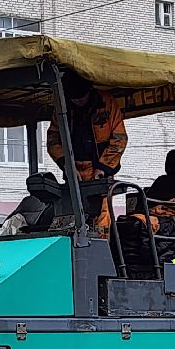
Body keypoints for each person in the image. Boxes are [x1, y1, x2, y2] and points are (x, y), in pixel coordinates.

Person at [46, 70, 127, 234]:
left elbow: (119, 139)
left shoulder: (107, 103)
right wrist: (68, 167)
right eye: (74, 98)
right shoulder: (62, 108)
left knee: (102, 215)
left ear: (89, 90)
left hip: (100, 172)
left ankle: (102, 251)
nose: (79, 101)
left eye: (81, 97)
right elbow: (53, 141)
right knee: (72, 216)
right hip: (74, 171)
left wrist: (102, 168)